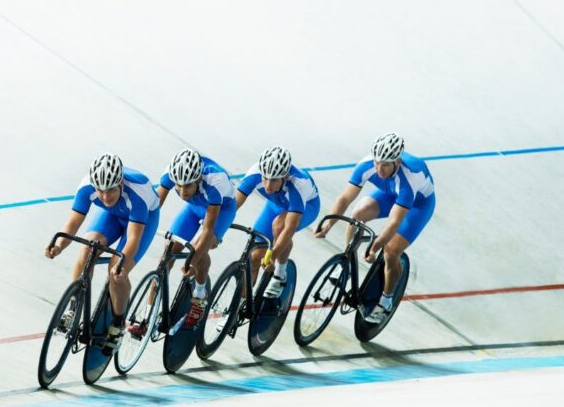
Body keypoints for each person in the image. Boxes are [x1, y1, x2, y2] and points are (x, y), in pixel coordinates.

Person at [314, 132, 435, 323]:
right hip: (389, 192)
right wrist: (329, 223)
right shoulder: (367, 165)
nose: (379, 169)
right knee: (357, 215)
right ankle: (347, 263)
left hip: (418, 205)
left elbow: (394, 222)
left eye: (385, 164)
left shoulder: (409, 178)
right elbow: (345, 198)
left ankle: (386, 301)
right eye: (377, 162)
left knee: (391, 251)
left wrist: (375, 247)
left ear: (397, 162)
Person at [44, 153, 160, 353]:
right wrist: (59, 246)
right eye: (101, 191)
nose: (106, 197)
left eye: (111, 190)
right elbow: (73, 223)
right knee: (88, 248)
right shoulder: (86, 187)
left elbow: (133, 238)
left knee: (116, 271)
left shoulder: (138, 193)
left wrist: (122, 266)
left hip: (142, 221)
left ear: (121, 183)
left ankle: (118, 325)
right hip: (112, 216)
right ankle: (73, 309)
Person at [130, 148, 236, 336]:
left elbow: (208, 229)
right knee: (167, 254)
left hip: (220, 211)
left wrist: (193, 261)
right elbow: (154, 207)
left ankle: (200, 295)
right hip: (193, 208)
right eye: (178, 186)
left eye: (187, 186)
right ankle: (147, 319)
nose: (181, 190)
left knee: (198, 249)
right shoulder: (171, 173)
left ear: (198, 180)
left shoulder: (215, 182)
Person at [236, 146, 321, 299]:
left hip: (307, 206)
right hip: (276, 204)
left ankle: (280, 275)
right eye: (265, 178)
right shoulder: (255, 172)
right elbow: (232, 205)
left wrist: (272, 256)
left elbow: (289, 228)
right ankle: (236, 310)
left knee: (280, 226)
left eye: (274, 180)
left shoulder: (299, 184)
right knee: (254, 258)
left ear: (285, 176)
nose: (268, 184)